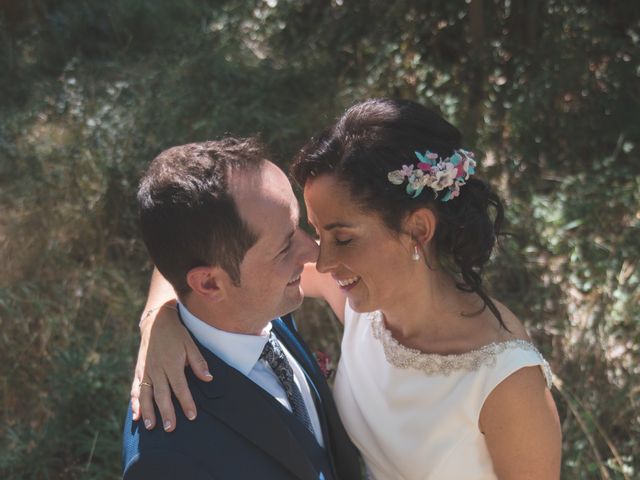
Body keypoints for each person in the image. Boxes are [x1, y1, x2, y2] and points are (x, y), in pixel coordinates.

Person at [132, 99, 562, 479]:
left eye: (342, 237)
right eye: (313, 231)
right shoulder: (359, 296)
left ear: (417, 229)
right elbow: (191, 238)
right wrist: (158, 319)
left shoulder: (505, 379)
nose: (317, 260)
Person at [122, 138, 361, 480]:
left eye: (298, 228)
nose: (312, 252)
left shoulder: (261, 305)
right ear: (209, 285)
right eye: (284, 247)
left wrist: (154, 316)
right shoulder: (165, 456)